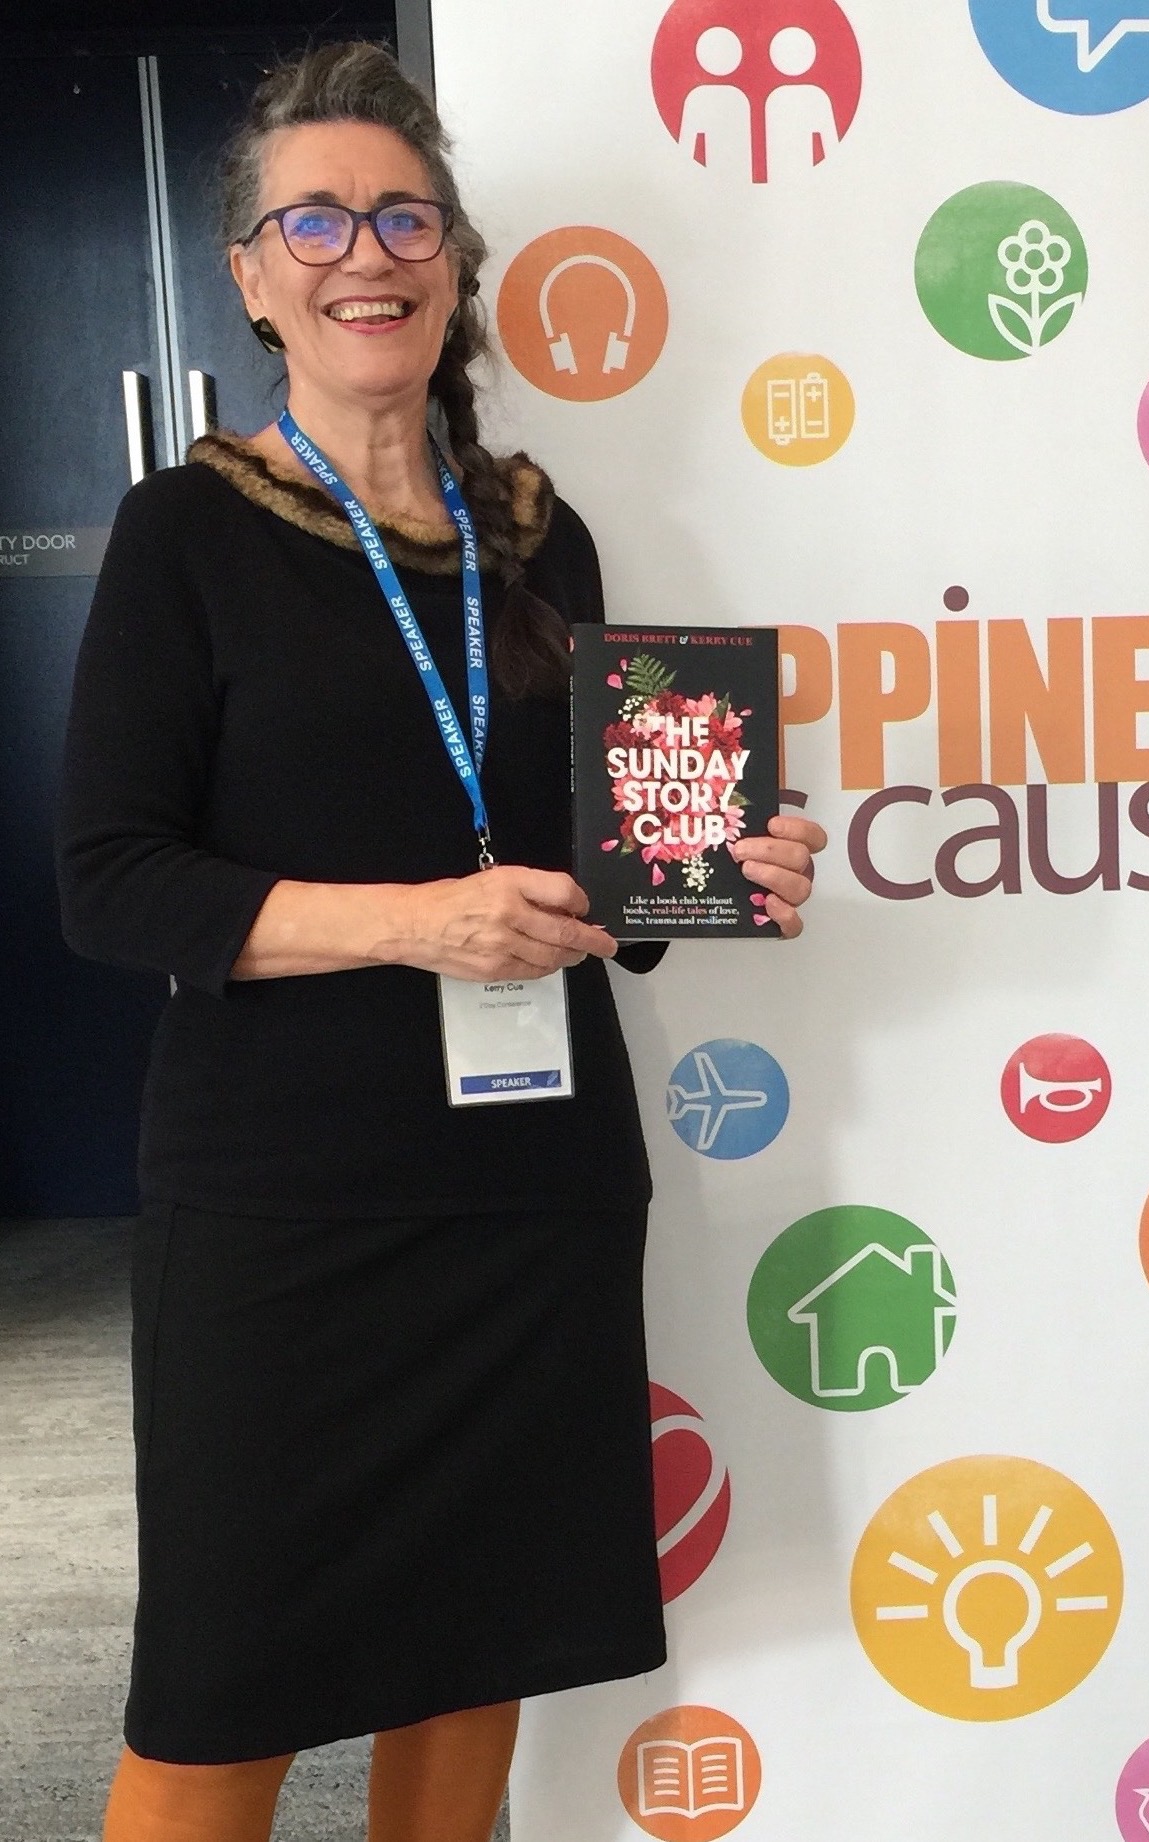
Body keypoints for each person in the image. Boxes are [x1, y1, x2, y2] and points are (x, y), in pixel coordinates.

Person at [57, 43, 826, 1842]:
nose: (365, 253)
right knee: (221, 1691)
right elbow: (114, 881)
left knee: (477, 1650)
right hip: (283, 1207)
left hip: (529, 1189)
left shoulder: (545, 541)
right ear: (253, 277)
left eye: (404, 216)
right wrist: (418, 923)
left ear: (456, 262)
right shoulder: (184, 533)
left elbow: (600, 885)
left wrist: (716, 865)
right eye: (313, 221)